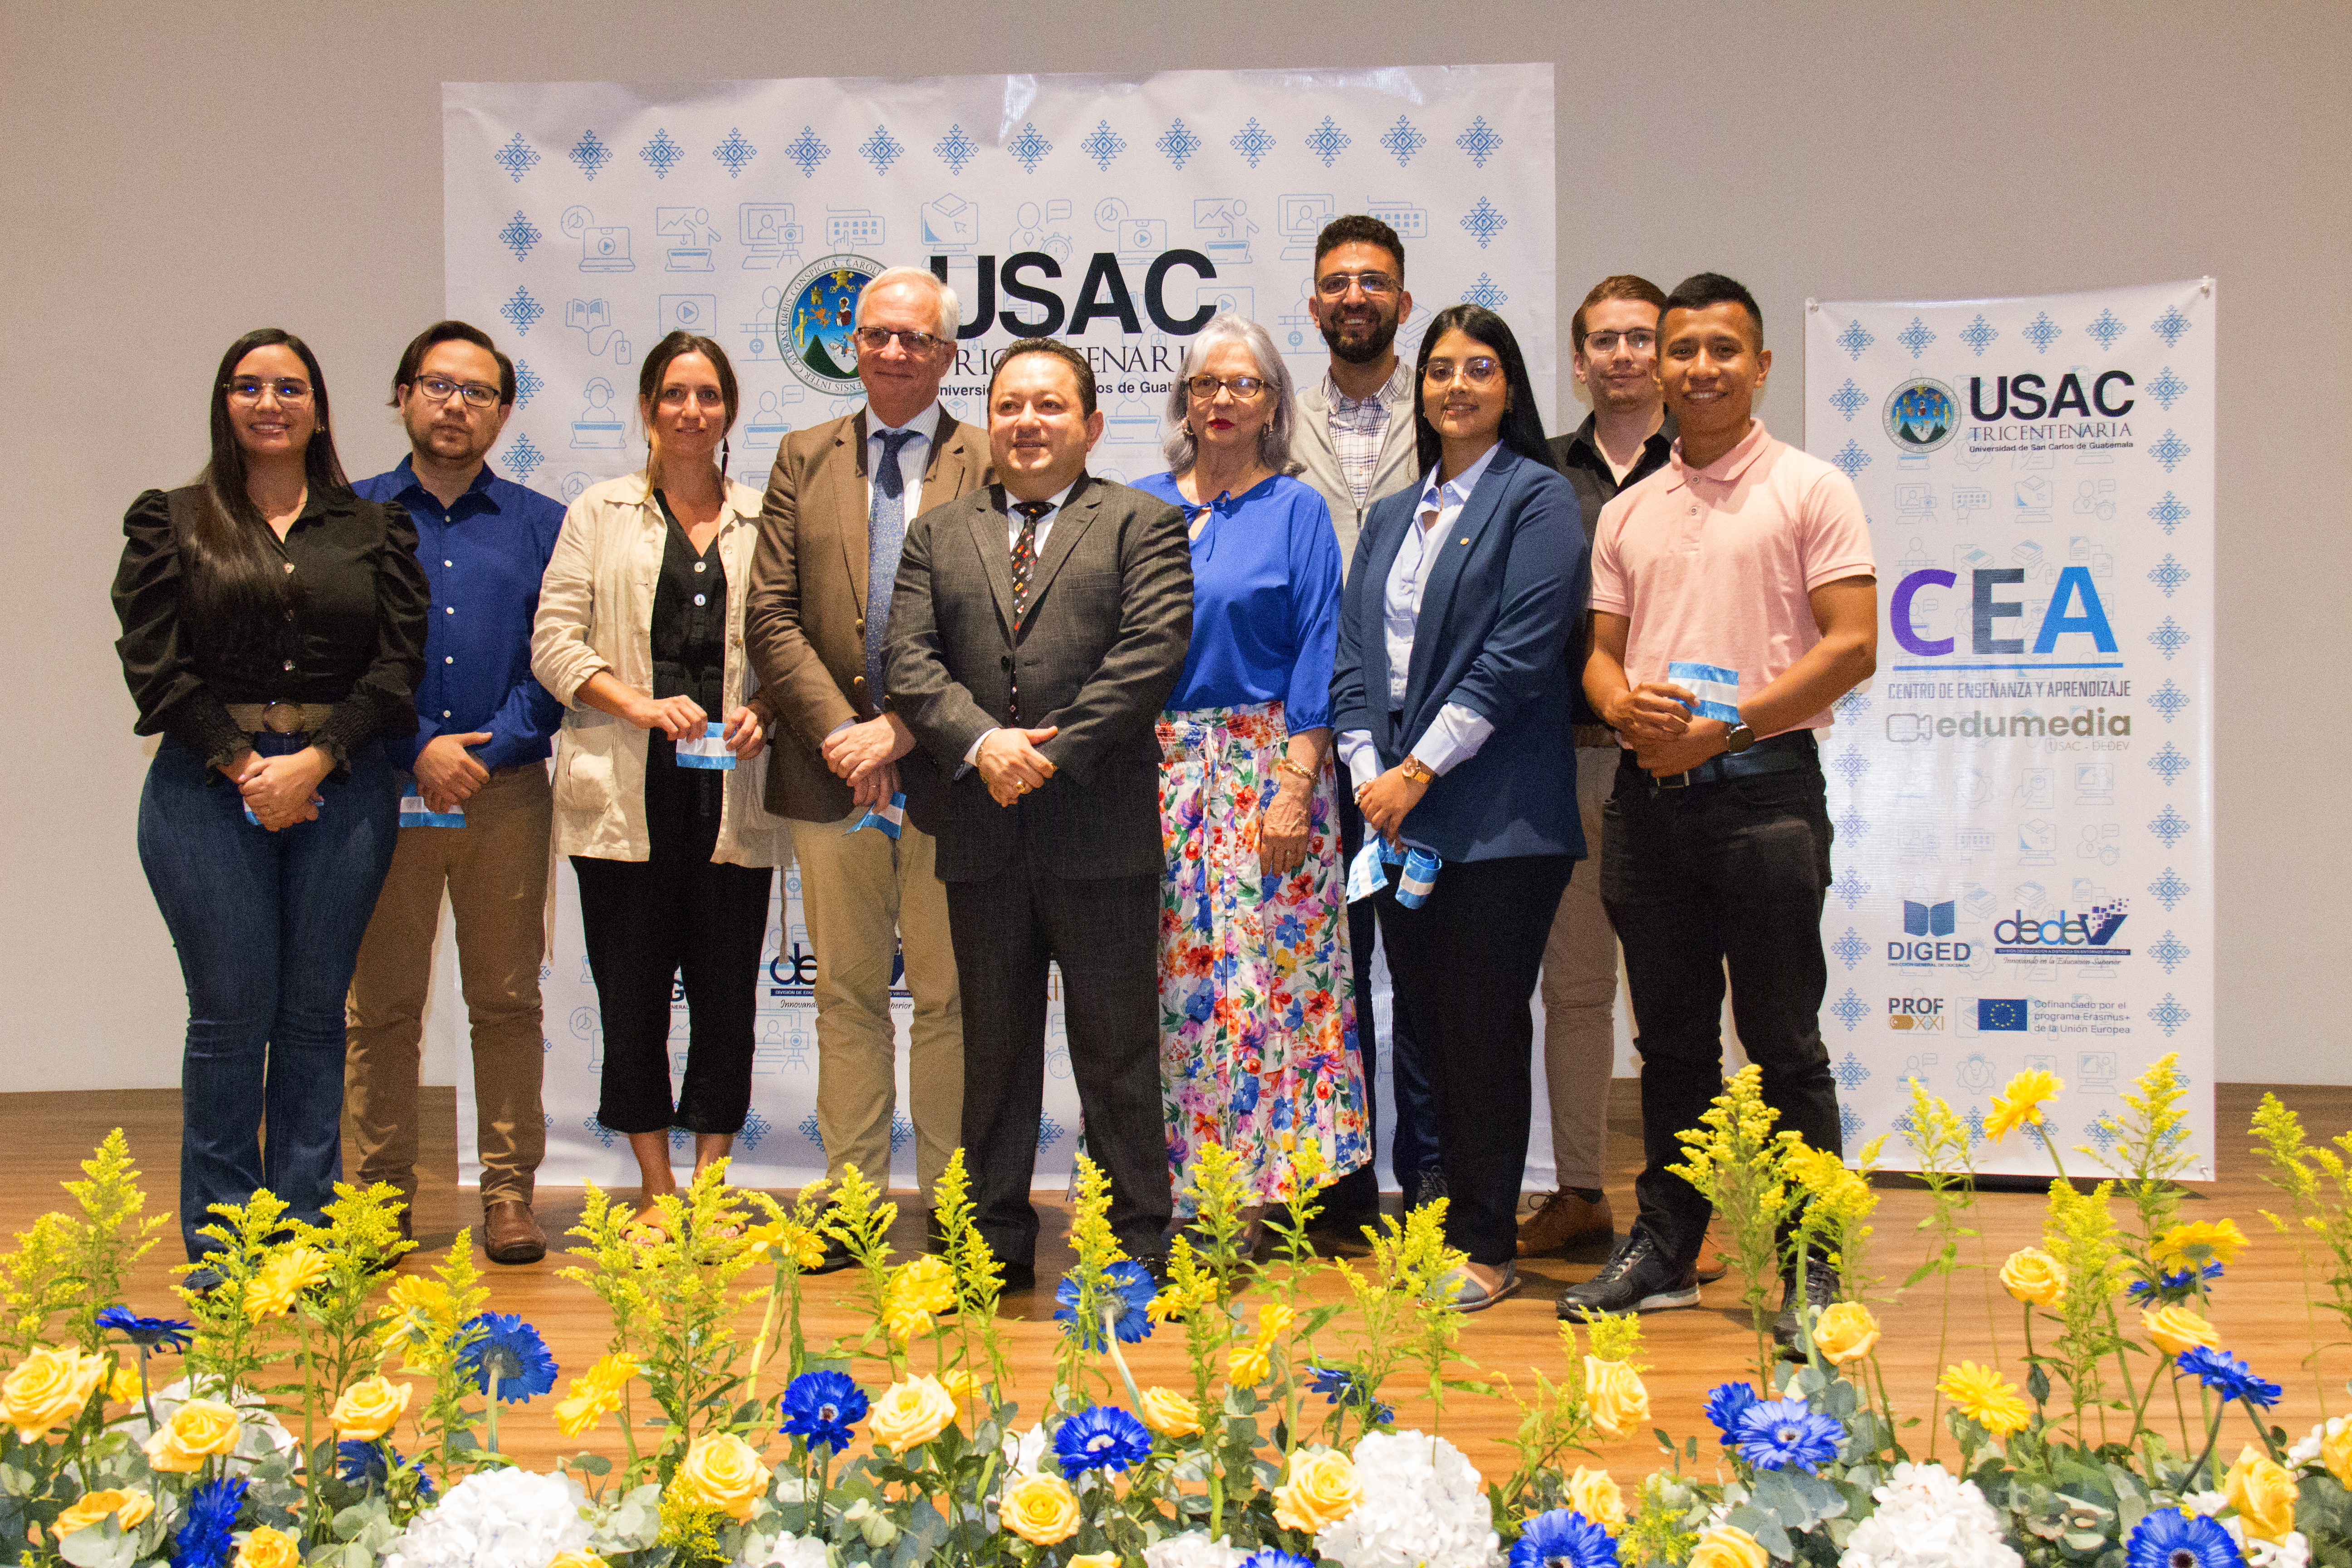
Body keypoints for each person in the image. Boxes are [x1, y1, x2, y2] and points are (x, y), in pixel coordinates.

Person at [1556, 274, 1876, 1348]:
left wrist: (1724, 725)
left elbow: (1853, 647)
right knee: (1675, 1049)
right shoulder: (1633, 509)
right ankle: (1668, 1254)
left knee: (1785, 1045)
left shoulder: (1811, 488)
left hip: (1768, 800)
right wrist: (1623, 706)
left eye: (1721, 350)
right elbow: (1600, 659)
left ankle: (1815, 1269)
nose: (1697, 368)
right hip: (1651, 814)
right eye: (1681, 349)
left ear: (1762, 364)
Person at [114, 328, 428, 1267]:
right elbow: (153, 666)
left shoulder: (375, 528)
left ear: (319, 408)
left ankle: (301, 1234)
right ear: (225, 404)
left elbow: (396, 668)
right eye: (248, 387)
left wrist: (319, 758)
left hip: (342, 788)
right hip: (205, 791)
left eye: (289, 387)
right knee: (228, 1015)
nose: (269, 403)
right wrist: (246, 765)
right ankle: (224, 1247)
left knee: (311, 1016)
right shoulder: (170, 520)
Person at [885, 337, 1192, 1288]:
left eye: (1051, 406)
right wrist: (986, 746)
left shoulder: (1144, 522)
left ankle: (1138, 1242)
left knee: (1118, 1054)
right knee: (996, 1056)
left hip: (1101, 830)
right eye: (1011, 405)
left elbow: (1150, 656)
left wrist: (1045, 755)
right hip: (981, 831)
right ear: (991, 422)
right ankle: (992, 1247)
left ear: (1091, 425)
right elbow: (908, 663)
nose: (1028, 422)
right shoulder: (939, 532)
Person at [1331, 304, 1585, 1311]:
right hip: (1391, 806)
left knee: (1481, 1030)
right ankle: (1433, 1220)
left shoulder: (1538, 498)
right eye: (1440, 370)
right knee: (1424, 1027)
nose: (1457, 386)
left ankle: (1486, 1239)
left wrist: (1416, 774)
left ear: (1510, 388)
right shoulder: (1393, 514)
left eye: (1480, 369)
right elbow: (1356, 657)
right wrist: (1365, 771)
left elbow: (1517, 659)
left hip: (1494, 813)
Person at [744, 267, 988, 1267]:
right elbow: (770, 613)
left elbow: (1001, 620)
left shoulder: (990, 457)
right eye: (878, 335)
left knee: (948, 995)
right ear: (852, 343)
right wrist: (848, 733)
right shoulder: (804, 455)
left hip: (949, 778)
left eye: (916, 339)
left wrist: (903, 731)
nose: (894, 352)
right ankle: (851, 1206)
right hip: (824, 772)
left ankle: (955, 1207)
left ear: (947, 356)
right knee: (844, 994)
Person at [530, 330, 789, 1215]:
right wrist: (638, 705)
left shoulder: (767, 521)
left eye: (708, 395)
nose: (691, 411)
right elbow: (554, 643)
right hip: (622, 798)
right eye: (674, 394)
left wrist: (775, 709)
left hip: (734, 796)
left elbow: (793, 650)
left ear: (729, 413)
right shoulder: (596, 514)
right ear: (647, 409)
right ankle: (654, 1188)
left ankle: (710, 1189)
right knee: (631, 1000)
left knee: (726, 1002)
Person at [1133, 314, 1367, 1226]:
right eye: (1206, 385)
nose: (1223, 400)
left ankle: (1273, 1195)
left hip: (1272, 768)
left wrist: (1297, 782)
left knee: (1272, 988)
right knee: (1173, 989)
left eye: (1244, 385)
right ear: (1183, 403)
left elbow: (1321, 647)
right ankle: (1179, 1192)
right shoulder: (1142, 505)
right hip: (1155, 772)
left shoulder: (1297, 510)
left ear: (1273, 404)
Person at [344, 321, 566, 1263]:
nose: (456, 405)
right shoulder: (348, 516)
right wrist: (419, 744)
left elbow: (559, 659)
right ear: (402, 395)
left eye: (478, 392)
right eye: (438, 386)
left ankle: (508, 1195)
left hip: (504, 794)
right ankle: (377, 1201)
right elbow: (337, 659)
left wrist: (487, 748)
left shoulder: (542, 523)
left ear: (504, 413)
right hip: (379, 791)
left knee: (506, 1001)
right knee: (380, 1008)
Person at [1518, 276, 1677, 1260]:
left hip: (1684, 766)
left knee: (1676, 999)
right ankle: (1582, 1192)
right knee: (1576, 993)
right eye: (1604, 342)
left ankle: (1683, 1205)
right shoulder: (1539, 475)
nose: (1623, 356)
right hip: (1570, 764)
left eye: (1641, 339)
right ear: (1577, 362)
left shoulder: (1707, 463)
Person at [1288, 214, 1439, 1237]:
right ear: (1314, 306)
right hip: (1304, 735)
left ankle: (1428, 1189)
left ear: (1403, 302)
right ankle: (1336, 1193)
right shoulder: (1270, 419)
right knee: (1321, 974)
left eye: (1373, 283)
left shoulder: (1444, 418)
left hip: (1418, 740)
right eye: (1338, 283)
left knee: (1423, 972)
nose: (1355, 298)